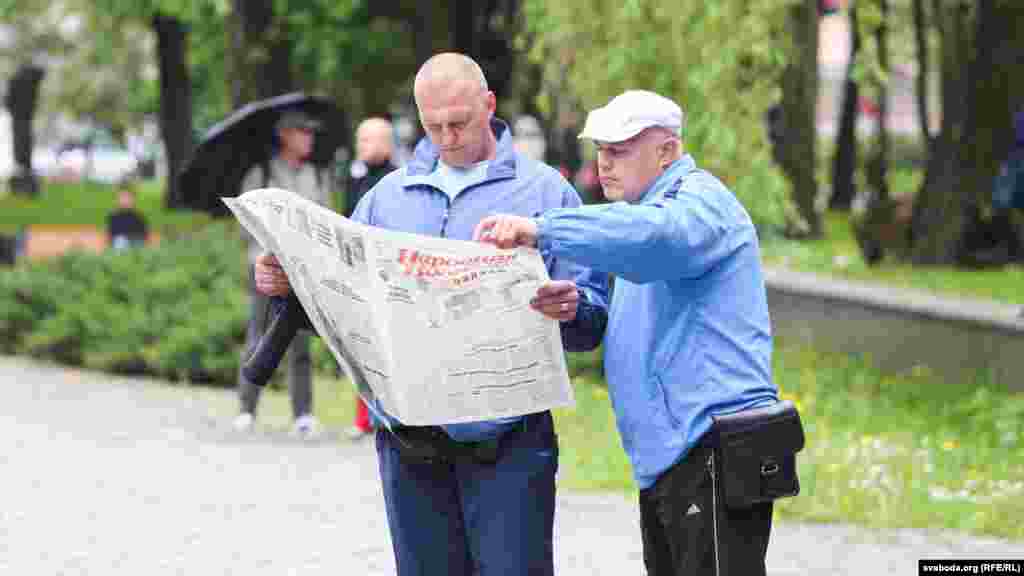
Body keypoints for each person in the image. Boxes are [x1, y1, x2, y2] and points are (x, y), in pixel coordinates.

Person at [253, 52, 608, 575]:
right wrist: (289, 287)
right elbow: (345, 307)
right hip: (408, 443)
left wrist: (573, 309)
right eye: (432, 124)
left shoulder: (547, 193)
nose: (447, 137)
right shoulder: (384, 199)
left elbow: (593, 319)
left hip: (506, 443)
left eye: (459, 122)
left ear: (489, 105)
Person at [474, 90, 780, 576]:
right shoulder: (647, 210)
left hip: (712, 448)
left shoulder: (699, 203)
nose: (603, 165)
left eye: (619, 151)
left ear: (667, 151)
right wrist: (574, 310)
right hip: (673, 457)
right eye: (600, 150)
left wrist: (542, 229)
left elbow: (655, 239)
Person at [235, 109, 332, 438]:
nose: (310, 138)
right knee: (259, 334)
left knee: (301, 340)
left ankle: (303, 414)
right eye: (303, 132)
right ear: (285, 135)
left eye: (311, 132)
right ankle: (246, 410)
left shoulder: (317, 176)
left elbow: (325, 221)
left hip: (303, 271)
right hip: (267, 266)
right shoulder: (260, 173)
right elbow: (246, 221)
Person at [345, 117, 397, 439]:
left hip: (387, 272)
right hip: (357, 269)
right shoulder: (353, 175)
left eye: (374, 140)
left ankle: (388, 413)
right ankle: (363, 417)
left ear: (388, 144)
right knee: (360, 344)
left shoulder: (397, 179)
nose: (367, 147)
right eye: (362, 140)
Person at [106, 184, 149, 250]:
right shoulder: (113, 216)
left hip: (136, 240)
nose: (125, 200)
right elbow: (110, 234)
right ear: (117, 200)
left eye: (128, 197)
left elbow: (145, 234)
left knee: (138, 243)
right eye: (122, 197)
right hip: (120, 241)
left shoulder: (139, 215)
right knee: (120, 241)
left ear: (133, 200)